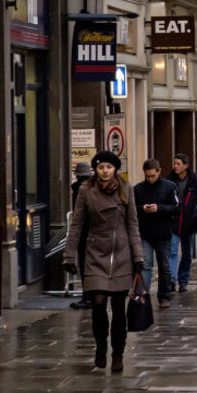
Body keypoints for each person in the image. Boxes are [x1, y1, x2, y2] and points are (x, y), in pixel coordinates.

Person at [62, 151, 143, 372]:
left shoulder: (126, 189)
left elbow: (133, 224)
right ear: (95, 170)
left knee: (118, 307)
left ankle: (118, 353)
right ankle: (100, 346)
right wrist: (69, 255)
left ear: (115, 168)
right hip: (96, 253)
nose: (105, 171)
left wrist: (138, 256)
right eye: (100, 167)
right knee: (97, 304)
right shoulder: (86, 191)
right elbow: (76, 224)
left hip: (121, 254)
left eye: (108, 167)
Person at [133, 159, 178, 308]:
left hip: (163, 232)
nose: (150, 179)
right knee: (145, 265)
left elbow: (176, 207)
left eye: (152, 175)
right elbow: (133, 210)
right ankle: (142, 296)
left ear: (159, 171)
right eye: (147, 176)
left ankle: (164, 297)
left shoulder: (169, 187)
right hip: (145, 232)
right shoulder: (138, 189)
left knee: (164, 266)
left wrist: (159, 208)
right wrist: (143, 208)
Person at [167, 153, 197, 293]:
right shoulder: (170, 180)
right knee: (172, 251)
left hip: (189, 224)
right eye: (175, 163)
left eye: (178, 164)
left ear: (186, 165)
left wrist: (195, 216)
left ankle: (183, 280)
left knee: (187, 254)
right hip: (174, 222)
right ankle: (171, 279)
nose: (175, 166)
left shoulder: (195, 181)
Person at [69, 161, 95, 310]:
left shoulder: (78, 188)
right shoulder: (94, 188)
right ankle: (92, 295)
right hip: (94, 232)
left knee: (85, 265)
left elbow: (78, 215)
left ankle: (88, 296)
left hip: (83, 232)